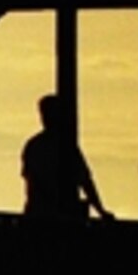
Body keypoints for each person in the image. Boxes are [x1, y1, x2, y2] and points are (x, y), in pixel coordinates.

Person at [20, 94, 110, 222]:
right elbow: (85, 180)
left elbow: (85, 180)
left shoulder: (41, 145)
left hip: (43, 214)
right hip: (47, 215)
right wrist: (100, 210)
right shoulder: (47, 146)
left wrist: (100, 210)